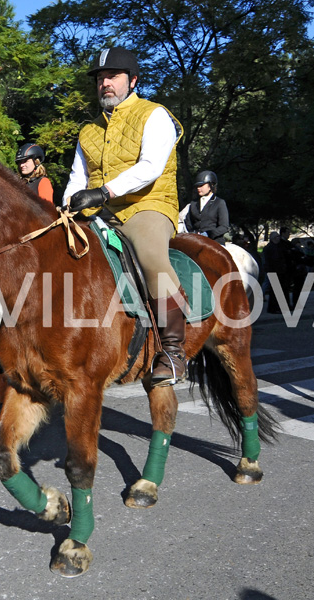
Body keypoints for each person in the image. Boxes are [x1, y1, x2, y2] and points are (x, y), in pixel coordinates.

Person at [62, 47, 187, 386]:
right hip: (100, 209)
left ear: (132, 80)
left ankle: (174, 352)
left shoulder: (155, 115)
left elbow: (149, 168)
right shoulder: (88, 130)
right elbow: (77, 177)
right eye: (101, 78)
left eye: (112, 77)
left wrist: (103, 193)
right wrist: (67, 206)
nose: (105, 83)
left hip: (147, 205)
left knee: (149, 255)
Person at [184, 170, 229, 245]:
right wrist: (194, 233)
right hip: (196, 240)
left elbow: (224, 226)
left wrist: (208, 234)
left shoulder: (219, 203)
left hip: (215, 241)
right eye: (197, 186)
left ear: (211, 185)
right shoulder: (193, 203)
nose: (198, 188)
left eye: (201, 185)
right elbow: (188, 223)